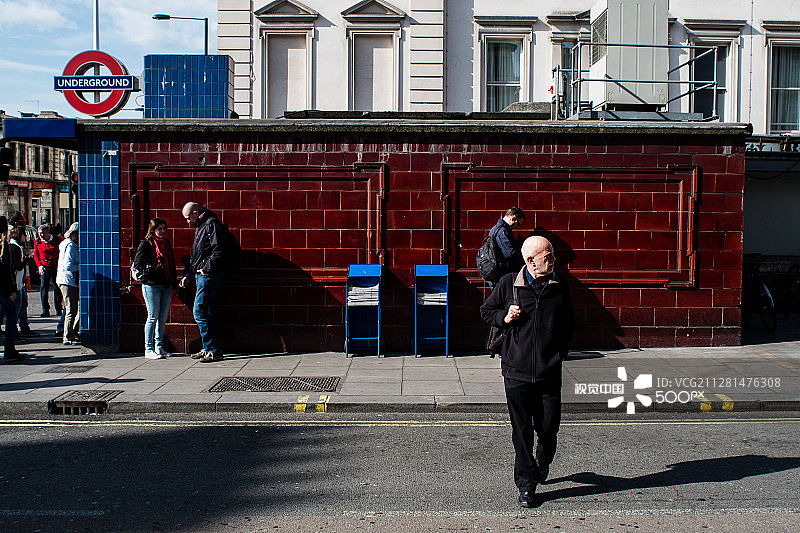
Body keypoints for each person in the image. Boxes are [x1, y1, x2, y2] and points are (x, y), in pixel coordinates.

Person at [480, 236, 575, 508]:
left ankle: (543, 461)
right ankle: (526, 484)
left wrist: (559, 354)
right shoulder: (509, 284)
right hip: (516, 371)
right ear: (531, 261)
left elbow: (569, 323)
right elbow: (486, 311)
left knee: (548, 428)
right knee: (521, 432)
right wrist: (504, 317)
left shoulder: (560, 286)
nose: (553, 259)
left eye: (552, 254)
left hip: (548, 372)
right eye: (548, 255)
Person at [179, 202, 226, 363]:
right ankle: (209, 348)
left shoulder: (211, 224)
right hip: (202, 274)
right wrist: (189, 274)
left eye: (188, 217)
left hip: (208, 275)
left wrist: (206, 269)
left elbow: (218, 251)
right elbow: (197, 255)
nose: (187, 221)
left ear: (195, 212)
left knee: (199, 311)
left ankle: (212, 350)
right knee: (206, 311)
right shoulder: (201, 226)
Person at [134, 217, 177, 359]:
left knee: (162, 318)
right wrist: (150, 271)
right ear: (153, 230)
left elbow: (171, 262)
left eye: (164, 228)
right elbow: (137, 264)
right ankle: (148, 348)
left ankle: (159, 347)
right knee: (152, 317)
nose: (163, 231)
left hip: (166, 284)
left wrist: (174, 282)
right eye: (159, 229)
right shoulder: (146, 243)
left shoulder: (166, 243)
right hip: (151, 285)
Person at [0, 217, 24, 361]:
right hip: (3, 287)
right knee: (11, 314)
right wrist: (12, 289)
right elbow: (5, 269)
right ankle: (9, 347)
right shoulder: (3, 245)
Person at [8, 227, 38, 338]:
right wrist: (27, 258)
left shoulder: (17, 247)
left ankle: (16, 329)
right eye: (24, 235)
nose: (25, 237)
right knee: (17, 307)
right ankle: (13, 332)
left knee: (22, 305)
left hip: (19, 282)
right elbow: (17, 266)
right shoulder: (14, 248)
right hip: (16, 283)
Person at [485, 208, 526, 286]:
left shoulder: (498, 228)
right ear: (513, 218)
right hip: (500, 276)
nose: (517, 227)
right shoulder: (502, 231)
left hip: (497, 274)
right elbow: (510, 253)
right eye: (518, 224)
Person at [56, 222, 80, 345]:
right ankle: (68, 336)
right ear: (74, 234)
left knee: (74, 308)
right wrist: (81, 266)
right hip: (68, 281)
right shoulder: (70, 246)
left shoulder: (66, 244)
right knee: (71, 309)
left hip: (66, 280)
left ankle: (72, 332)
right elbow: (68, 266)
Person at [34, 224, 63, 318]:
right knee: (43, 288)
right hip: (44, 267)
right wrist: (39, 265)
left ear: (48, 232)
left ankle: (58, 308)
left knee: (57, 287)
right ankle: (45, 310)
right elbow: (36, 254)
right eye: (39, 233)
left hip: (55, 266)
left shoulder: (57, 240)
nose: (41, 235)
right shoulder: (37, 241)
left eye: (42, 233)